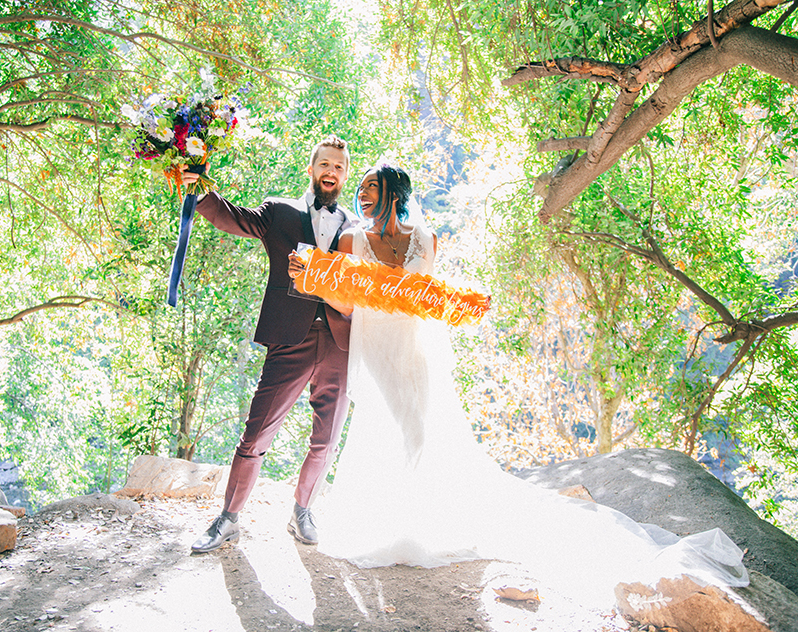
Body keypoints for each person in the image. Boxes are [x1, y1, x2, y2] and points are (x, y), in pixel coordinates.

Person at [291, 163, 750, 613]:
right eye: (363, 188)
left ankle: (413, 526)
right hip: (374, 346)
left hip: (413, 349)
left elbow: (419, 295)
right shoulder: (351, 240)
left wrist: (462, 304)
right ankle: (385, 523)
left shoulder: (426, 240)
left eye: (372, 186)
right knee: (383, 426)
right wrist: (311, 278)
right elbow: (349, 299)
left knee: (417, 430)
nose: (363, 194)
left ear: (394, 191)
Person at [183, 135, 356, 554]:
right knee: (257, 433)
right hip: (289, 339)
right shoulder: (280, 212)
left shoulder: (355, 228)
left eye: (338, 166)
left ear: (344, 174)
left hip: (340, 344)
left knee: (327, 440)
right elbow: (233, 217)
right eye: (324, 164)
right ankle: (228, 519)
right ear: (311, 169)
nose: (330, 172)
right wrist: (200, 190)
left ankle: (302, 512)